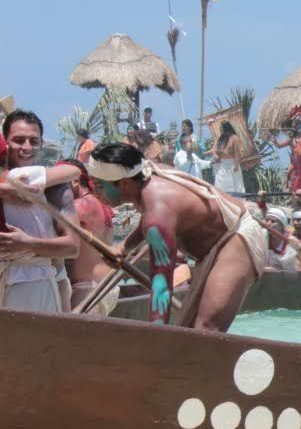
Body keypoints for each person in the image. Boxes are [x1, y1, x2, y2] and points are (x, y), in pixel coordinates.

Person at [87, 142, 266, 331]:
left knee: (206, 329)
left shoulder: (157, 212)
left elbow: (162, 287)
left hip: (236, 238)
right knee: (189, 333)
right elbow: (149, 221)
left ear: (124, 183)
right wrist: (125, 246)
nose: (95, 193)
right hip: (210, 252)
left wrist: (156, 334)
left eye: (99, 186)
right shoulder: (145, 177)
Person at [0, 110, 81, 312]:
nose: (27, 147)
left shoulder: (54, 186)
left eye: (34, 141)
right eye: (19, 140)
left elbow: (73, 247)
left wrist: (27, 243)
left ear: (42, 144)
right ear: (5, 142)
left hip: (33, 283)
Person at [59, 159, 119, 315]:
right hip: (105, 286)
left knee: (73, 332)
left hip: (88, 290)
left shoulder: (80, 206)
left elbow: (52, 230)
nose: (55, 190)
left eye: (58, 184)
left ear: (74, 181)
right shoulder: (101, 204)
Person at [267, 107, 301, 207]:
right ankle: (294, 206)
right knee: (293, 185)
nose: (299, 126)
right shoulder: (291, 140)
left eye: (300, 123)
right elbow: (279, 146)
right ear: (295, 126)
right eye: (297, 124)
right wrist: (275, 142)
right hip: (295, 165)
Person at [206, 122, 246, 194]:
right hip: (221, 164)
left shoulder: (234, 137)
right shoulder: (220, 139)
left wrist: (236, 164)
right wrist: (205, 154)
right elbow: (214, 150)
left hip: (232, 164)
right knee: (220, 184)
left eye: (221, 128)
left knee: (234, 184)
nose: (220, 130)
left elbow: (237, 151)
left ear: (226, 128)